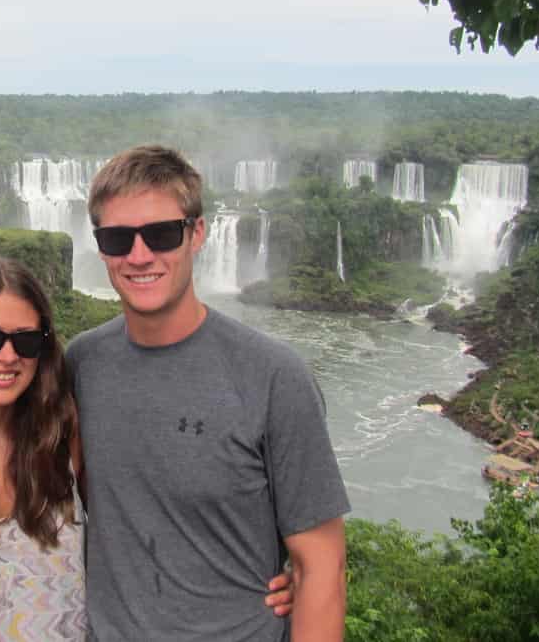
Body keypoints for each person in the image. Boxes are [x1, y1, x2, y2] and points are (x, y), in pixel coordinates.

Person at [0, 256, 296, 641]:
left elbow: (141, 523)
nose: (6, 356)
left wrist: (258, 573)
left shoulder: (61, 436)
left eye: (26, 341)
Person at [67, 145, 349, 641]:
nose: (139, 256)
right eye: (117, 238)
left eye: (160, 234)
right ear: (100, 246)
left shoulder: (275, 377)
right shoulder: (81, 365)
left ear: (197, 234)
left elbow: (322, 569)